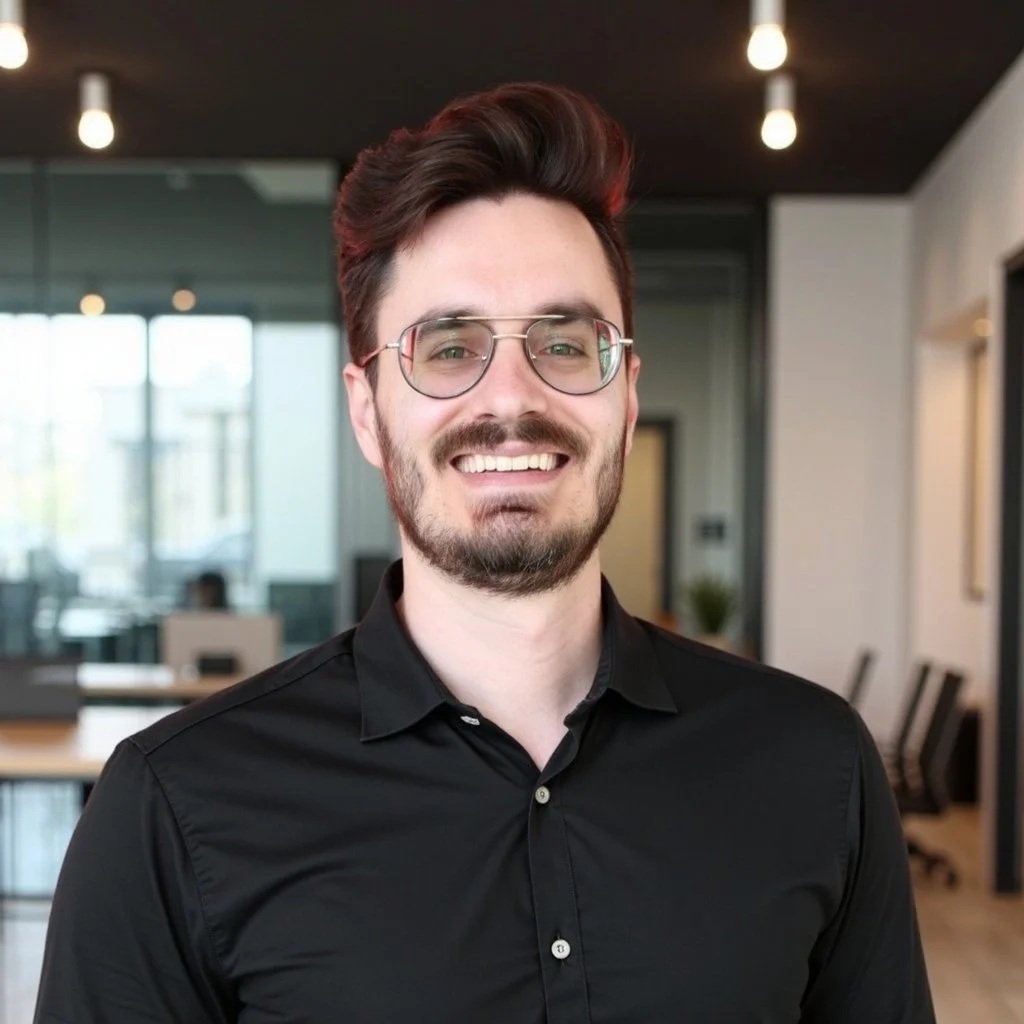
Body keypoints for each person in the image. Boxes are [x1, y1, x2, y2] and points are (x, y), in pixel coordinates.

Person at [34, 83, 935, 1022]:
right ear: (366, 410)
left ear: (624, 398)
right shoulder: (173, 807)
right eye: (449, 345)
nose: (512, 395)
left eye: (566, 339)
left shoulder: (813, 768)